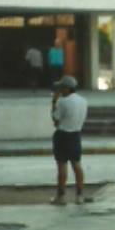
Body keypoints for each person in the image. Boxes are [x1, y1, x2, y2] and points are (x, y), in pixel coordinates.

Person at [49, 76, 88, 205]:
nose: (59, 90)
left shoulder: (62, 102)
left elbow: (55, 120)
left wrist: (54, 102)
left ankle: (61, 196)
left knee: (62, 165)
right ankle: (80, 195)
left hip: (62, 135)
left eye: (61, 88)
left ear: (67, 88)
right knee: (77, 165)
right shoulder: (83, 101)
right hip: (76, 135)